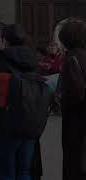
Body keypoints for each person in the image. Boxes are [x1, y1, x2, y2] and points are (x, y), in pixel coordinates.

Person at [0, 24, 43, 180]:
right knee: (24, 171)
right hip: (29, 123)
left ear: (4, 41)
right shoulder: (33, 61)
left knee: (5, 173)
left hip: (4, 124)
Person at [58, 18, 86, 180]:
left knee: (74, 164)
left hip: (76, 121)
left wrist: (61, 96)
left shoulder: (72, 59)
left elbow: (77, 94)